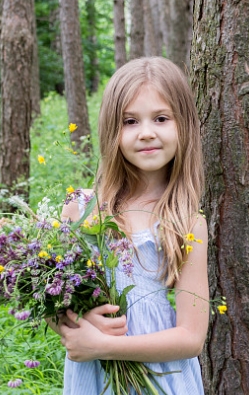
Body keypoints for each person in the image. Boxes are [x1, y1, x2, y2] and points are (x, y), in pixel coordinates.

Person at [47, 57, 209, 394]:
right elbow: (51, 298)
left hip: (165, 381)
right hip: (96, 380)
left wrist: (105, 346)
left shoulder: (187, 222)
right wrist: (75, 322)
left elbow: (192, 338)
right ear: (112, 131)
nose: (147, 132)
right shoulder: (80, 207)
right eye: (130, 121)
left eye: (161, 118)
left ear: (184, 126)